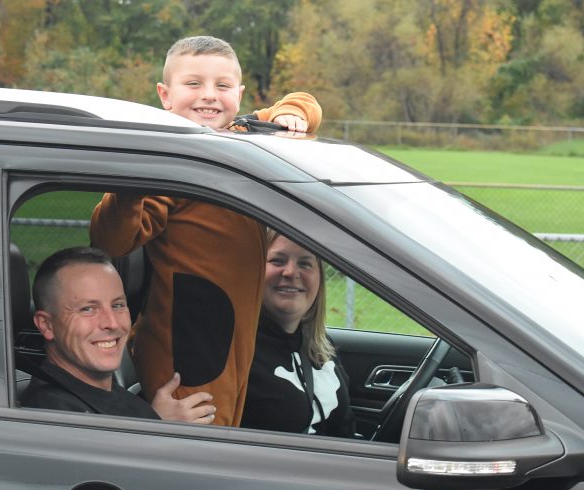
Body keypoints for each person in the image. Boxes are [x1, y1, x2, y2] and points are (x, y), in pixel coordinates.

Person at [89, 36, 322, 426]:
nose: (209, 96)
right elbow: (112, 238)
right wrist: (131, 181)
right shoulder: (169, 163)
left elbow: (306, 102)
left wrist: (293, 113)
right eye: (194, 84)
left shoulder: (241, 137)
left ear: (240, 93)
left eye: (223, 86)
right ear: (165, 95)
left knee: (231, 419)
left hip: (234, 337)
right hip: (190, 350)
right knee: (208, 438)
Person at [20, 246, 216, 424]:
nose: (112, 323)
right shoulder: (56, 417)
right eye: (88, 309)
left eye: (117, 305)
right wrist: (159, 430)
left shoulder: (98, 393)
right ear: (46, 325)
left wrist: (153, 419)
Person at [241, 231, 355, 437]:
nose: (291, 272)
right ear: (255, 270)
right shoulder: (237, 350)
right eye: (277, 260)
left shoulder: (321, 346)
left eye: (305, 263)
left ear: (319, 278)